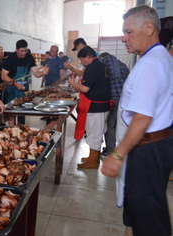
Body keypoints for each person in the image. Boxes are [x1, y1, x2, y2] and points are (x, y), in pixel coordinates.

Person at [101, 5, 173, 236]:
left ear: (149, 28)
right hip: (152, 146)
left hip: (146, 149)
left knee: (149, 219)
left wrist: (117, 154)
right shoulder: (161, 56)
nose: (124, 38)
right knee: (135, 213)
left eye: (128, 32)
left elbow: (142, 119)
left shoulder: (150, 64)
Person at [68, 45, 111, 169]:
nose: (81, 62)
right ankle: (93, 156)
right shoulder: (101, 65)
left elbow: (85, 89)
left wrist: (72, 83)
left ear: (88, 57)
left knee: (94, 132)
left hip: (96, 106)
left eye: (81, 59)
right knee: (97, 130)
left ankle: (93, 161)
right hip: (103, 105)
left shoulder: (92, 67)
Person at [1, 39, 49, 124]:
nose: (24, 53)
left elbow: (36, 73)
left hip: (23, 90)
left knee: (22, 113)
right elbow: (3, 75)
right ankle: (12, 130)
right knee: (12, 113)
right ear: (16, 50)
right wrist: (15, 84)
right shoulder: (11, 59)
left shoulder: (29, 58)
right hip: (11, 90)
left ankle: (21, 129)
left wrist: (43, 73)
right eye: (21, 51)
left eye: (25, 50)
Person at [98, 52, 130, 158]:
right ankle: (116, 148)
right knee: (118, 124)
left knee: (109, 125)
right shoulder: (123, 65)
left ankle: (110, 151)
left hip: (113, 97)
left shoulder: (104, 62)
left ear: (102, 57)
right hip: (125, 98)